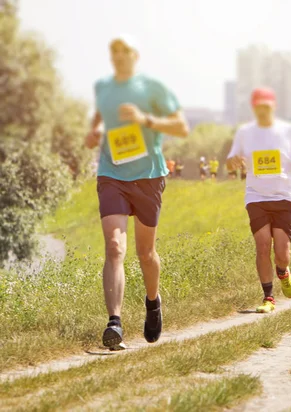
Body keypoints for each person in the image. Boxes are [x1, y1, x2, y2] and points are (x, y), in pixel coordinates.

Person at [84, 34, 189, 350]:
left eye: (124, 50)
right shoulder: (103, 87)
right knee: (114, 246)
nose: (118, 55)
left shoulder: (152, 87)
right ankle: (114, 323)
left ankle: (153, 302)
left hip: (147, 176)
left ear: (135, 55)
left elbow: (181, 127)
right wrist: (95, 132)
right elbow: (101, 119)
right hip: (111, 173)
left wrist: (146, 119)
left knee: (146, 253)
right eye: (113, 50)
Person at [227, 87, 291, 313]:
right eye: (259, 106)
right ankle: (268, 298)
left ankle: (283, 272)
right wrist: (233, 162)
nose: (263, 110)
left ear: (274, 106)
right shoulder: (245, 132)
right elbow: (230, 161)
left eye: (267, 106)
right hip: (256, 196)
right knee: (263, 245)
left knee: (282, 253)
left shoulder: (288, 130)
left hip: (284, 195)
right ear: (254, 108)